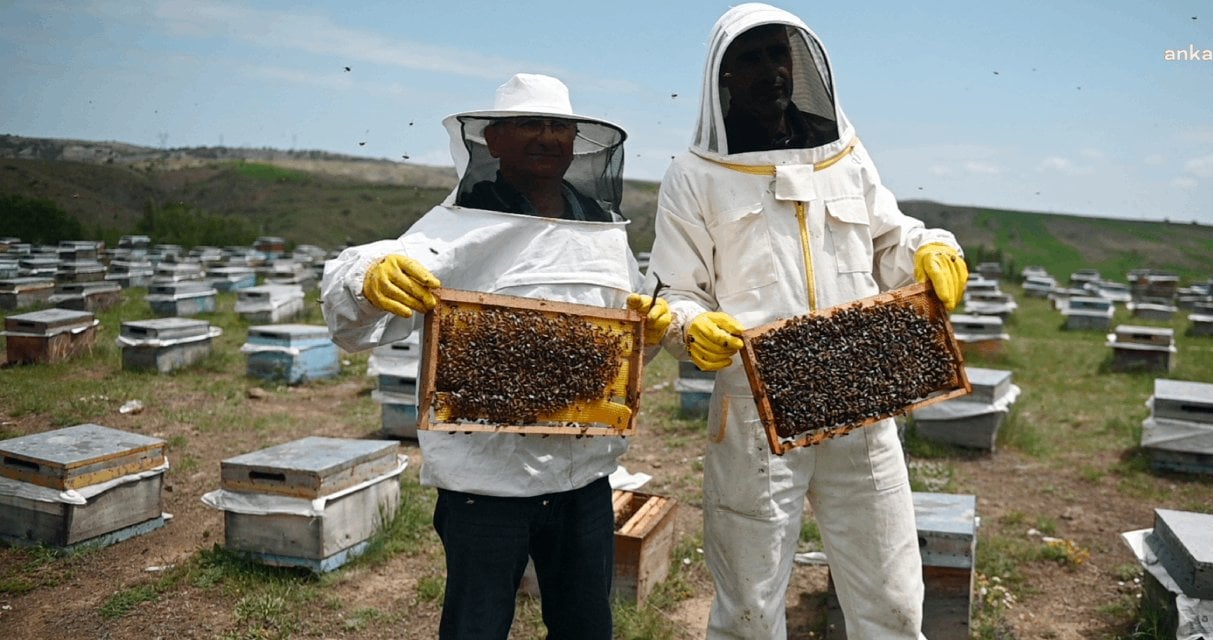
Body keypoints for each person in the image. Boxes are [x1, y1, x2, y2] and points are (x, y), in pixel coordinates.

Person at [643, 4, 968, 639]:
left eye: (777, 54)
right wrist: (690, 327)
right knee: (748, 604)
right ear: (724, 78)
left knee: (894, 598)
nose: (769, 70)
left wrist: (930, 247)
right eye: (750, 59)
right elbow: (678, 290)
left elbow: (889, 240)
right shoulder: (694, 177)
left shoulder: (845, 156)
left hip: (862, 399)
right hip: (755, 409)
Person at [320, 73, 671, 640]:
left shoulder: (604, 232)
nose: (547, 137)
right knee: (476, 628)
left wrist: (651, 329)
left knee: (586, 626)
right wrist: (366, 277)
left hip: (582, 477)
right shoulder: (456, 226)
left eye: (558, 126)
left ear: (577, 141)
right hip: (485, 485)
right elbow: (357, 293)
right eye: (529, 124)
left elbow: (623, 344)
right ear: (494, 140)